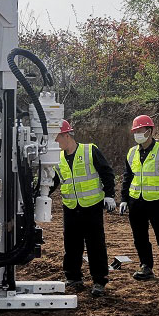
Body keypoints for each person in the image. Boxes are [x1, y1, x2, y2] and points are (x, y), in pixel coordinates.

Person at [52, 119, 117, 297]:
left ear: (66, 135)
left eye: (56, 138)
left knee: (95, 244)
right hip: (71, 207)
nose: (54, 142)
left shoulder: (89, 150)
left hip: (92, 206)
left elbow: (106, 172)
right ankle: (73, 278)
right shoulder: (57, 158)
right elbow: (53, 181)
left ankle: (99, 280)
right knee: (71, 244)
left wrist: (110, 194)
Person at [119, 115, 159, 280]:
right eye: (135, 131)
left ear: (149, 131)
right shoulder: (132, 152)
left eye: (139, 131)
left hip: (157, 202)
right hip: (136, 201)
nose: (136, 134)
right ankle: (146, 266)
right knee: (139, 237)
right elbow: (128, 177)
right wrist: (124, 199)